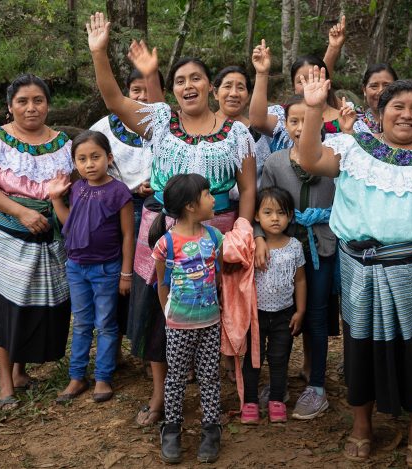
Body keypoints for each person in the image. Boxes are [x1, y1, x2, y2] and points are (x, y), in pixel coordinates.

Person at [298, 69, 412, 467]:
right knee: (360, 346)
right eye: (398, 106)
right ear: (380, 112)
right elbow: (310, 159)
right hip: (361, 269)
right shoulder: (353, 147)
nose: (407, 114)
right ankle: (361, 425)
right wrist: (313, 110)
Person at [86, 12, 256, 427]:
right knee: (162, 314)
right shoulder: (160, 122)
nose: (187, 86)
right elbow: (113, 100)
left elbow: (248, 189)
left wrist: (244, 233)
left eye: (195, 78)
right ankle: (162, 398)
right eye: (179, 81)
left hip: (218, 236)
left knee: (214, 312)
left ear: (209, 87)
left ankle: (213, 396)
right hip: (161, 232)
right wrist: (99, 53)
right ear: (173, 90)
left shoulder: (236, 134)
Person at [0, 74, 73, 411]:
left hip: (50, 237)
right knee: (6, 304)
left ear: (48, 104)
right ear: (9, 106)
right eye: (23, 101)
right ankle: (5, 384)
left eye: (38, 100)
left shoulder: (64, 143)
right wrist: (21, 213)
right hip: (6, 236)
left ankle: (21, 371)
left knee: (39, 303)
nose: (31, 108)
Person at [254, 95, 345, 419]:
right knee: (278, 315)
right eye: (294, 120)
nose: (300, 126)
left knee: (316, 315)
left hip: (323, 245)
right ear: (285, 124)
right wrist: (260, 237)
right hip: (282, 249)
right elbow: (263, 206)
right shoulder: (276, 162)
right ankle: (277, 384)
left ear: (321, 123)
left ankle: (316, 386)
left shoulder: (335, 159)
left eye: (308, 119)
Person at [47, 131, 134, 404]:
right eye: (82, 159)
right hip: (76, 267)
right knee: (82, 323)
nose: (89, 164)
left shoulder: (119, 192)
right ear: (75, 163)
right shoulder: (77, 188)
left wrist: (126, 273)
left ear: (108, 158)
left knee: (106, 324)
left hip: (107, 269)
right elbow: (69, 224)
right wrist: (55, 200)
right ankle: (76, 377)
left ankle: (103, 377)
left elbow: (129, 235)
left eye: (95, 157)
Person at [149, 174, 224, 464]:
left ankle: (211, 429)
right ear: (192, 205)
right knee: (176, 377)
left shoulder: (215, 237)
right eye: (208, 194)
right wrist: (170, 316)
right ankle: (171, 428)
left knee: (209, 377)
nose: (214, 199)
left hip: (210, 323)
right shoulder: (166, 244)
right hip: (178, 325)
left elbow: (218, 277)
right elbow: (161, 285)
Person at [90, 67, 162, 364]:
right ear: (126, 92)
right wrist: (124, 188)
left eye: (148, 90)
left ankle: (148, 352)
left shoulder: (166, 123)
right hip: (117, 210)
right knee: (117, 276)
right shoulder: (106, 127)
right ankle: (114, 348)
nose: (142, 96)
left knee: (149, 281)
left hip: (156, 211)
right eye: (136, 90)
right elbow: (90, 161)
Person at [241, 187, 307, 424]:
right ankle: (249, 402)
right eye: (268, 212)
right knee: (252, 359)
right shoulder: (251, 246)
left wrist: (300, 311)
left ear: (290, 216)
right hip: (255, 315)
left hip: (284, 314)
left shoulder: (295, 247)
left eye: (281, 212)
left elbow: (300, 280)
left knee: (279, 358)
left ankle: (277, 400)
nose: (275, 218)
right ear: (257, 216)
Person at [355, 40, 412, 134]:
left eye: (386, 85)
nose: (380, 91)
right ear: (364, 89)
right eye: (374, 86)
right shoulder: (353, 118)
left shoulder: (409, 121)